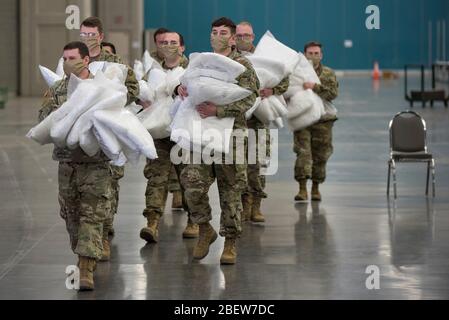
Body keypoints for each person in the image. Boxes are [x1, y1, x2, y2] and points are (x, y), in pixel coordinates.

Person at [177, 17, 259, 264]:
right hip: (200, 133)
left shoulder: (242, 65)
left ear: (233, 38)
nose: (217, 36)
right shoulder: (201, 62)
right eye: (214, 31)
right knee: (191, 184)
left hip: (232, 135)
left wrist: (219, 111)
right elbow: (184, 84)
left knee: (231, 191)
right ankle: (205, 228)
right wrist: (180, 89)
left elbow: (250, 98)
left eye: (223, 32)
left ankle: (230, 243)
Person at [38, 41, 113, 291]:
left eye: (73, 58)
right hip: (67, 163)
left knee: (92, 215)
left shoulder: (102, 88)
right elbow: (43, 119)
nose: (69, 63)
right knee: (71, 216)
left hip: (96, 165)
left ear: (86, 59)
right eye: (65, 59)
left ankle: (85, 267)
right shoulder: (58, 88)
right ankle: (83, 252)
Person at [79, 17, 139, 259]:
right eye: (83, 34)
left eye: (91, 34)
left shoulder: (114, 62)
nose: (87, 38)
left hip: (108, 132)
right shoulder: (74, 60)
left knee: (107, 186)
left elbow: (133, 89)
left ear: (101, 36)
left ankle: (103, 235)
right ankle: (94, 234)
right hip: (82, 132)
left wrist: (113, 102)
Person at [140, 31, 199, 243]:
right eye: (164, 43)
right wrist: (142, 100)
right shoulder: (153, 71)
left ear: (182, 47)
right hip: (158, 132)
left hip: (184, 133)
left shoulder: (192, 68)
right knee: (156, 177)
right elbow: (143, 92)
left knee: (189, 178)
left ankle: (194, 220)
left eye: (173, 42)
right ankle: (152, 222)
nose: (168, 46)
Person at [235, 21, 290, 223]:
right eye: (239, 35)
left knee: (257, 163)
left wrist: (272, 90)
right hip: (236, 119)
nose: (243, 39)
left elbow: (284, 78)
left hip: (258, 120)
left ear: (253, 36)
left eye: (246, 35)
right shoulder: (229, 58)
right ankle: (242, 204)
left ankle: (256, 204)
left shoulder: (265, 56)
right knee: (237, 165)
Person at [293, 41, 338, 202]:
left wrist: (315, 87)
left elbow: (333, 94)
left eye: (316, 53)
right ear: (305, 55)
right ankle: (302, 189)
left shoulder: (328, 73)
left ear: (321, 55)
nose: (313, 56)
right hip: (302, 119)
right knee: (303, 153)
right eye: (310, 53)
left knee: (321, 155)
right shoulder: (297, 73)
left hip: (323, 120)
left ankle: (316, 188)